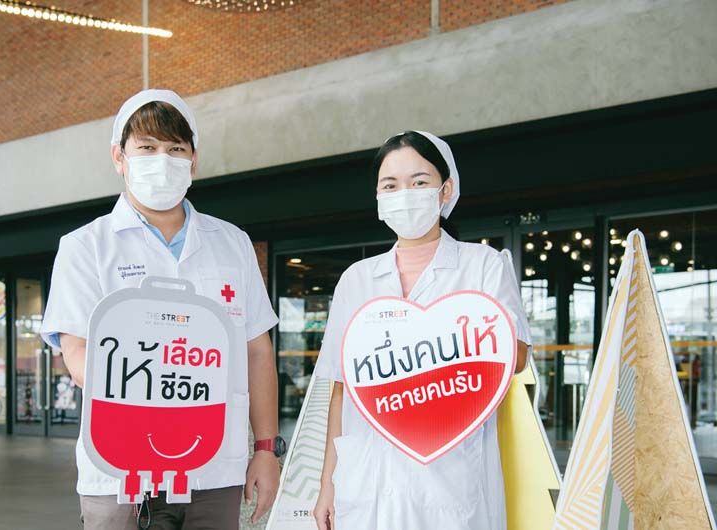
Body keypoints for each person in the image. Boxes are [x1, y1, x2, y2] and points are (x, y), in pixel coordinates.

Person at [40, 89, 285, 530]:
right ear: (119, 157)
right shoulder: (86, 247)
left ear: (193, 160)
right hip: (120, 471)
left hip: (215, 467)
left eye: (175, 149)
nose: (163, 159)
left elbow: (257, 351)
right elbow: (76, 353)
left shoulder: (232, 244)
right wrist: (155, 392)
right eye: (147, 147)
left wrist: (266, 449)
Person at [312, 130, 531, 530]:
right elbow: (341, 390)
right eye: (390, 185)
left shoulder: (483, 264)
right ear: (378, 197)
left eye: (419, 182)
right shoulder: (357, 279)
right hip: (368, 482)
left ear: (445, 190)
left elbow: (515, 357)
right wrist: (328, 482)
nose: (404, 194)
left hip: (451, 479)